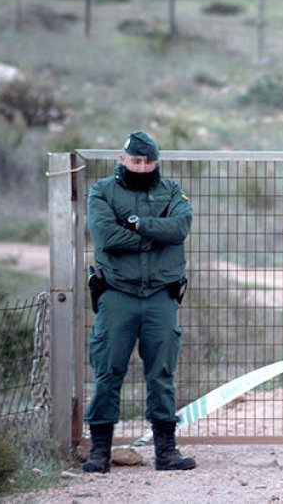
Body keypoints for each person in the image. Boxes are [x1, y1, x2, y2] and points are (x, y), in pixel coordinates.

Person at [82, 130, 196, 473]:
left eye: (148, 162)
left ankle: (166, 451)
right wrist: (153, 237)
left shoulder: (171, 191)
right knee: (108, 372)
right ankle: (99, 451)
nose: (143, 167)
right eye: (136, 161)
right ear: (122, 159)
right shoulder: (102, 191)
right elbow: (105, 235)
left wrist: (135, 225)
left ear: (155, 162)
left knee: (161, 373)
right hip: (118, 295)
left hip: (160, 296)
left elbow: (178, 228)